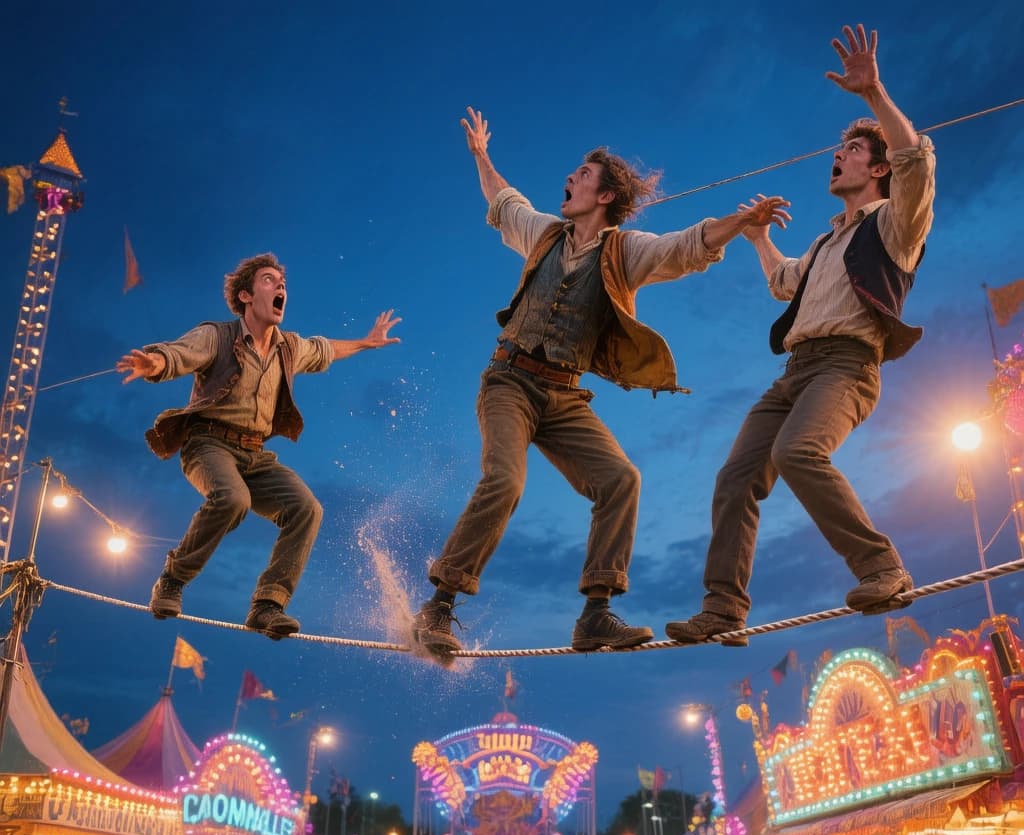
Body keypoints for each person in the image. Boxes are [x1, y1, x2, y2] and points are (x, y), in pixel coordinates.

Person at [411, 108, 788, 658]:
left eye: (582, 175)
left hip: (563, 396)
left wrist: (741, 222)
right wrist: (480, 154)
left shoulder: (626, 252)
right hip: (509, 382)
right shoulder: (542, 234)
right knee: (505, 482)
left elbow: (684, 247)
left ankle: (595, 615)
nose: (570, 179)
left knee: (620, 480)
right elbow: (503, 201)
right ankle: (439, 606)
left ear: (606, 195)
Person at [667, 23, 936, 645]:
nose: (837, 156)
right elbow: (787, 284)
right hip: (794, 372)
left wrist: (872, 97)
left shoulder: (896, 225)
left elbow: (914, 159)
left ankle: (883, 570)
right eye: (839, 150)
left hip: (847, 367)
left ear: (875, 169)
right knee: (737, 478)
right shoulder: (826, 240)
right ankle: (723, 611)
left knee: (798, 454)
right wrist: (759, 238)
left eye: (848, 152)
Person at [117, 253, 400, 638]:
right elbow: (179, 353)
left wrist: (366, 343)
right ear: (247, 295)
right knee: (233, 500)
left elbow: (325, 349)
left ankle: (267, 606)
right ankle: (172, 579)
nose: (281, 286)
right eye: (270, 280)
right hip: (208, 445)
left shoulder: (289, 348)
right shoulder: (217, 336)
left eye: (282, 282)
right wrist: (154, 363)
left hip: (255, 454)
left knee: (307, 509)